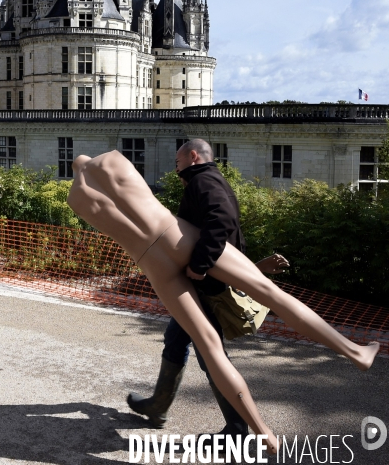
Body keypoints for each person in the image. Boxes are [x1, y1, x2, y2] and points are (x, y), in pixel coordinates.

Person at [67, 150, 380, 455]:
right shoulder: (112, 159)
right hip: (176, 234)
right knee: (273, 295)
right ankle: (354, 352)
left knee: (208, 345)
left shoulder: (75, 199)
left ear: (73, 168)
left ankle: (262, 432)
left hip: (151, 262)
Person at [127, 139, 284, 447]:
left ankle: (237, 430)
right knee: (176, 338)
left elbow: (221, 221)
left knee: (211, 356)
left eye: (178, 160)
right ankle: (158, 406)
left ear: (193, 156)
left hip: (206, 285)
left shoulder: (203, 180)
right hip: (204, 284)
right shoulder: (208, 180)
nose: (175, 166)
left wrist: (199, 265)